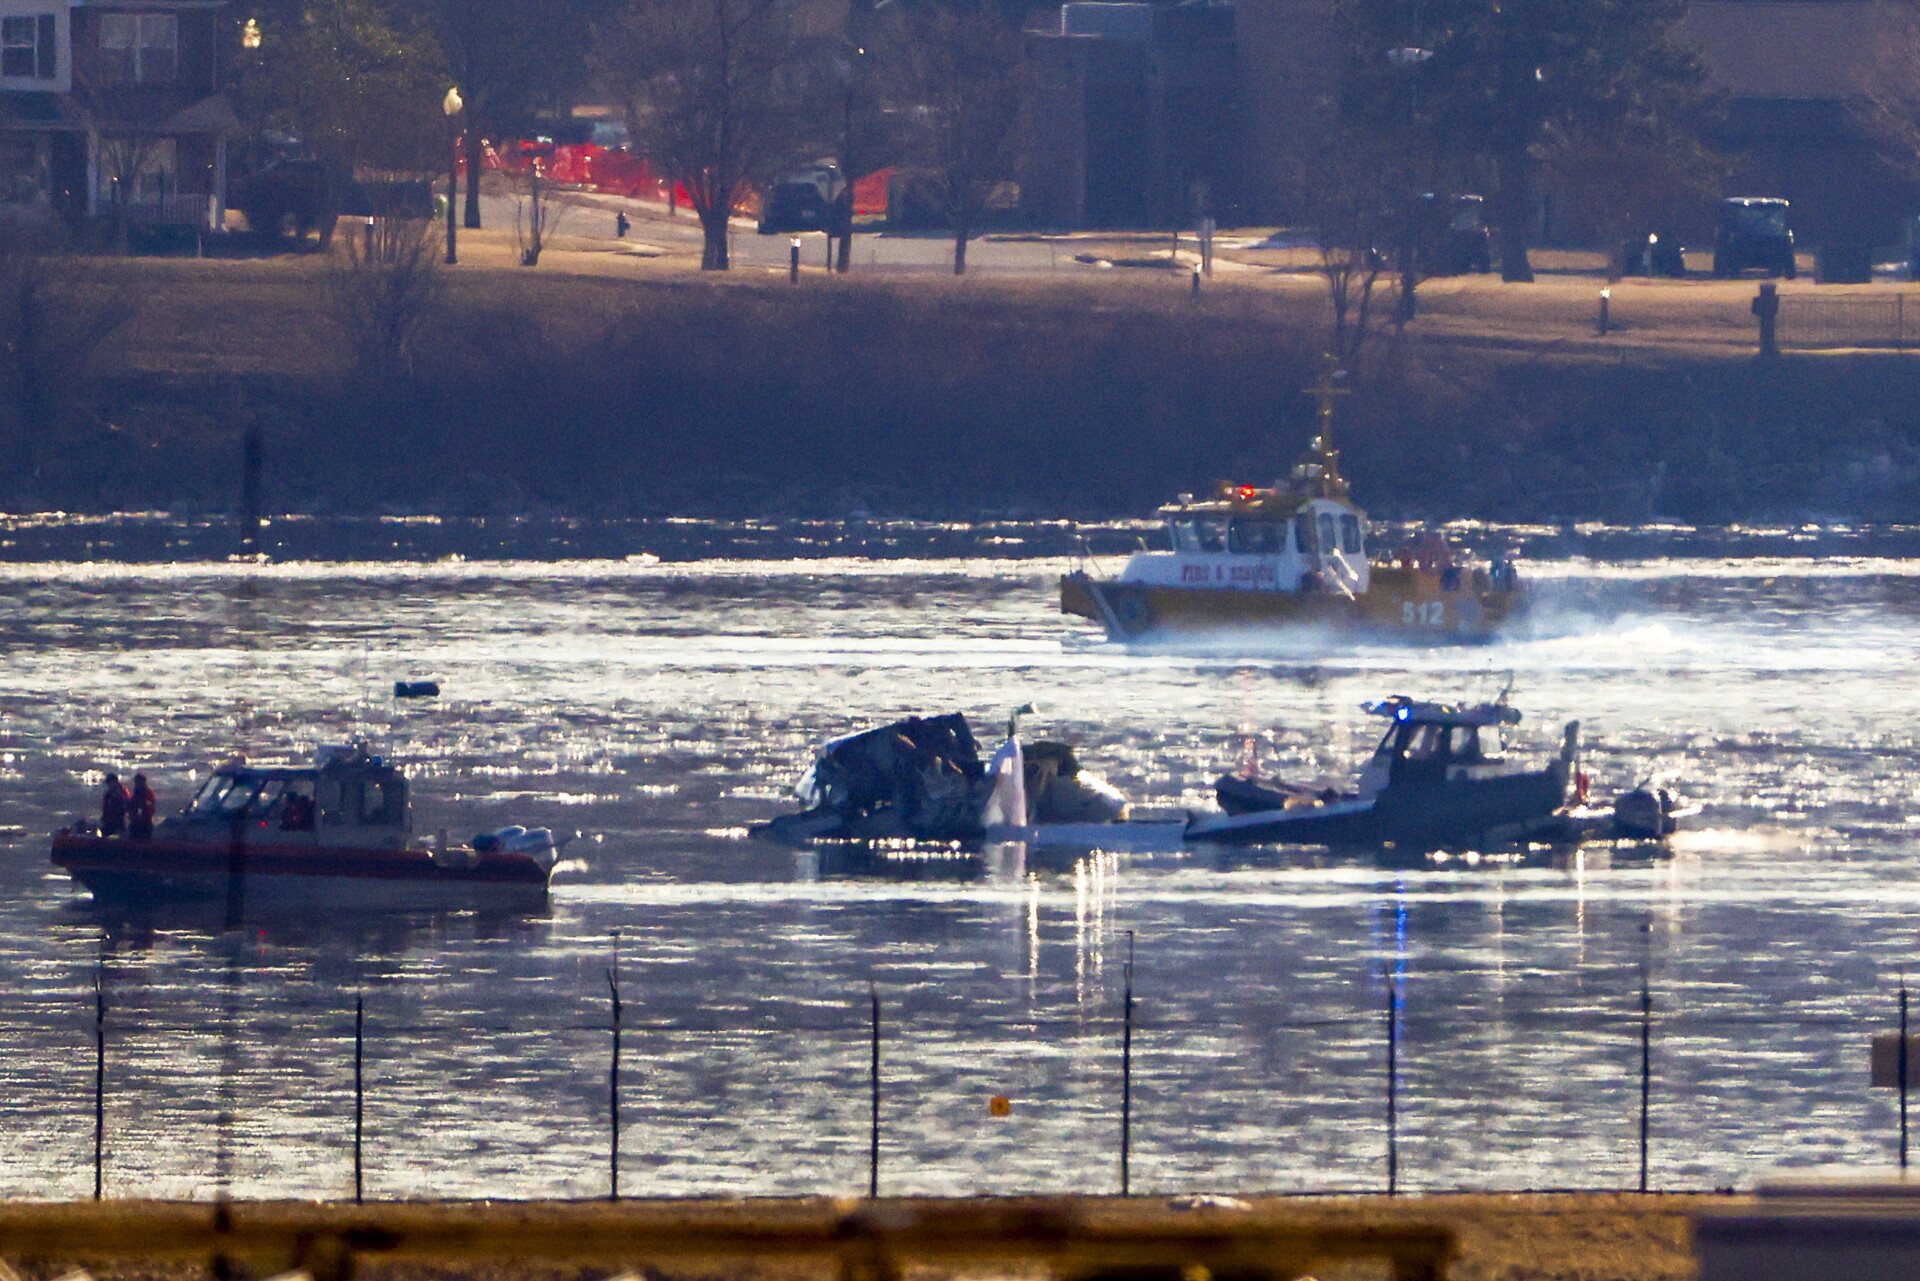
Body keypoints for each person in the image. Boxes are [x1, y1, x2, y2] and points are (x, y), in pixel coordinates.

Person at [128, 774, 157, 839]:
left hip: (145, 822)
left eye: (138, 781)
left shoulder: (148, 793)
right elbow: (131, 806)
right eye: (136, 782)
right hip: (135, 822)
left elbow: (151, 807)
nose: (137, 784)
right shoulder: (135, 794)